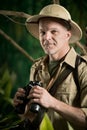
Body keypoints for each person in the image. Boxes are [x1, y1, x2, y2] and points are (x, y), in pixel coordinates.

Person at [13, 4, 87, 130]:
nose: (46, 37)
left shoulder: (82, 68)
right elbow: (33, 117)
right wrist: (23, 108)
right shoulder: (36, 67)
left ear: (67, 35)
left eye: (54, 31)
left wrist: (52, 102)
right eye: (42, 32)